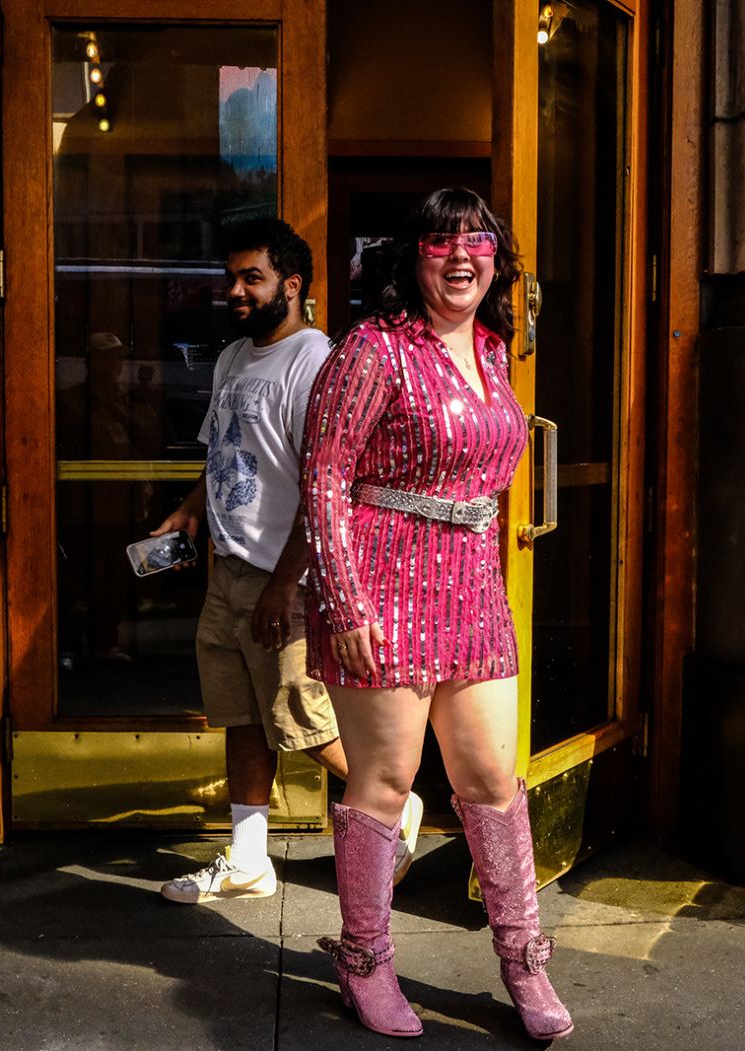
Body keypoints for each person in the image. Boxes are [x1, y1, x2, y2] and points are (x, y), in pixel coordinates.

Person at [300, 188, 573, 1041]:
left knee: (493, 781)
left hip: (473, 589)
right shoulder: (372, 350)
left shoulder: (494, 351)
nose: (462, 255)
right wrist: (340, 595)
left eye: (478, 241)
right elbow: (323, 477)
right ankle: (365, 960)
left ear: (498, 259)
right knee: (383, 784)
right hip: (379, 584)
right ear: (410, 256)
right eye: (441, 240)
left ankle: (525, 963)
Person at [154, 217, 423, 905]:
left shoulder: (317, 363)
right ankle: (248, 859)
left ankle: (400, 805)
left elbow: (325, 481)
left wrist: (286, 583)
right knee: (243, 716)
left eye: (252, 278)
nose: (235, 292)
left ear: (292, 285)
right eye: (231, 279)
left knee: (300, 722)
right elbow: (225, 449)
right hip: (231, 570)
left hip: (286, 579)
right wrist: (191, 509)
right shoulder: (234, 358)